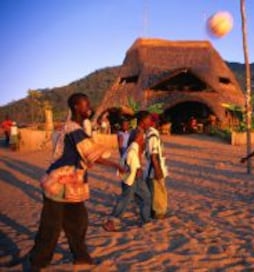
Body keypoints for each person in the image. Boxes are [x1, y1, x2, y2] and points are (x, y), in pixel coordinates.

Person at [29, 93, 125, 271]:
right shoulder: (73, 129)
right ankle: (38, 262)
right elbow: (90, 153)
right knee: (51, 226)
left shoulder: (73, 128)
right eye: (85, 104)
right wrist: (115, 164)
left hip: (73, 184)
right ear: (75, 107)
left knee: (79, 222)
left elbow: (83, 153)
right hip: (59, 184)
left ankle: (81, 258)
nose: (89, 107)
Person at [103, 119, 152, 231]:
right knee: (133, 197)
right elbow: (131, 156)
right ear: (137, 137)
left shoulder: (134, 145)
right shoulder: (133, 146)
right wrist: (137, 168)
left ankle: (145, 219)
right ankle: (112, 221)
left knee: (141, 197)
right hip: (133, 176)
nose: (143, 138)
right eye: (141, 136)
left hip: (132, 176)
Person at [145, 112, 169, 219]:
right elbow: (153, 155)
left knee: (154, 192)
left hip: (154, 168)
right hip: (154, 169)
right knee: (159, 192)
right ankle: (158, 213)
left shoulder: (152, 134)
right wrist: (158, 170)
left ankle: (153, 211)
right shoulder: (153, 135)